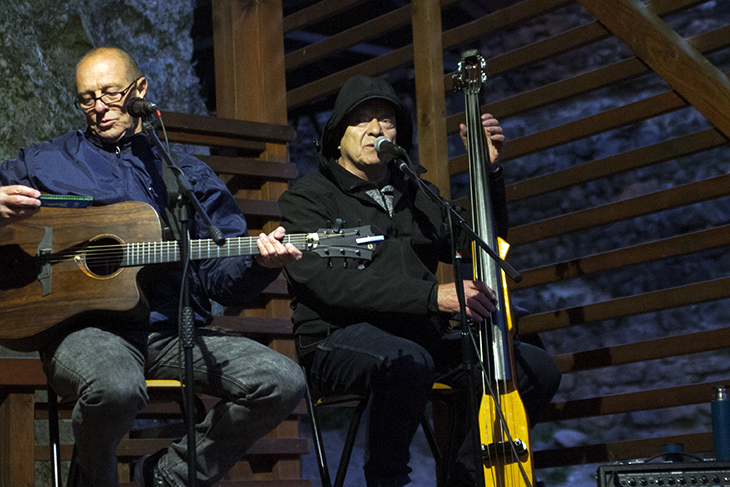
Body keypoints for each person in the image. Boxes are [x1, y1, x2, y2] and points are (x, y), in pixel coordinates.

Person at [0, 46, 306, 487]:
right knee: (115, 387)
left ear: (140, 89)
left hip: (173, 331)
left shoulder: (186, 176)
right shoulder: (46, 162)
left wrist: (260, 264)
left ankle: (166, 477)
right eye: (87, 98)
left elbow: (222, 282)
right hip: (85, 331)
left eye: (110, 93)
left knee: (281, 379)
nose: (99, 108)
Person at [277, 75, 561, 487]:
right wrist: (433, 296)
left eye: (387, 120)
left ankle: (466, 478)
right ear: (337, 137)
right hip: (337, 337)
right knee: (408, 362)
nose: (376, 129)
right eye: (362, 119)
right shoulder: (308, 197)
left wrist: (487, 172)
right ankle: (387, 480)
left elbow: (482, 245)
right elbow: (330, 284)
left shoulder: (415, 191)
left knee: (534, 368)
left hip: (418, 334)